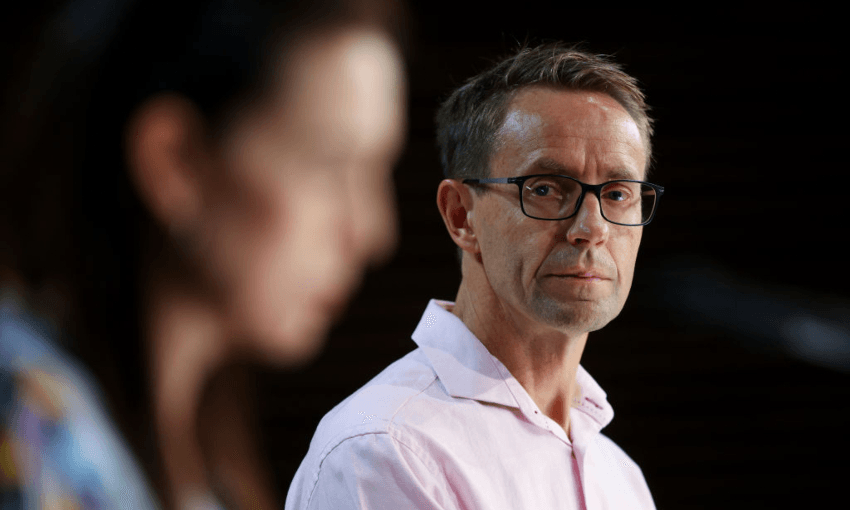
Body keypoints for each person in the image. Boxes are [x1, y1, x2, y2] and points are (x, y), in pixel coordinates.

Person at [0, 0, 406, 508]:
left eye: (377, 170)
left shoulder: (206, 462)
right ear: (177, 163)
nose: (373, 232)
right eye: (329, 167)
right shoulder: (27, 417)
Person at [286, 42, 663, 509]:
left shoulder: (621, 479)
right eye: (545, 189)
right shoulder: (386, 450)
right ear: (461, 215)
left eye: (618, 194)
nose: (592, 229)